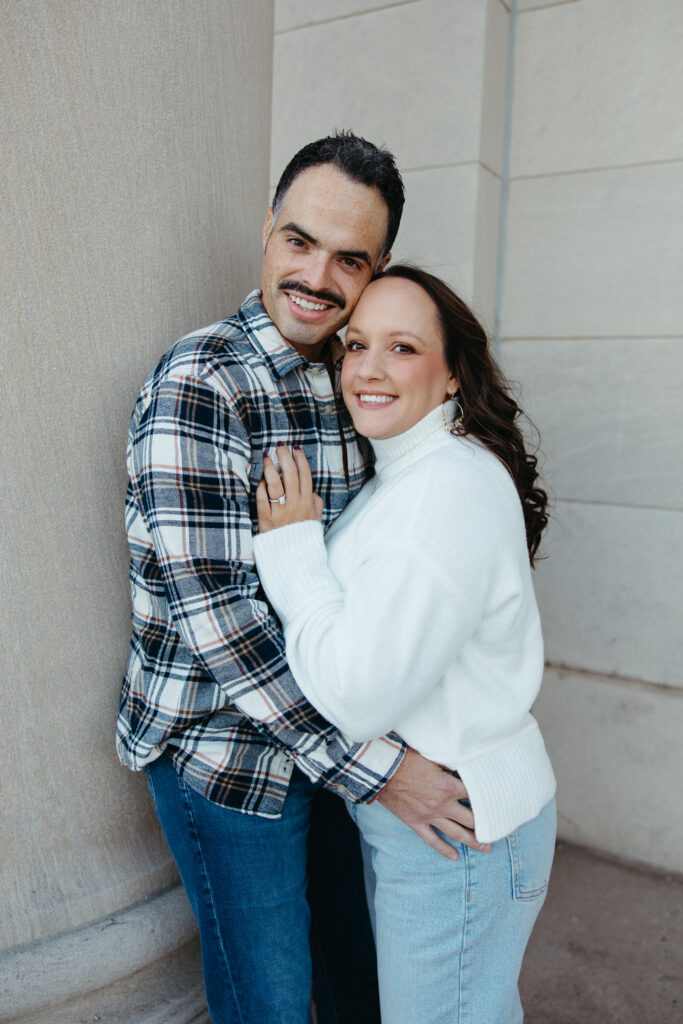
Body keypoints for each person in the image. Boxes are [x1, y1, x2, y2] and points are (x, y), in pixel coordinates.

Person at [116, 135, 485, 1024]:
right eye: (299, 241)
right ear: (267, 229)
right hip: (228, 758)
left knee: (360, 986)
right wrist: (383, 773)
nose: (316, 277)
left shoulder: (358, 377)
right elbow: (225, 632)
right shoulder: (201, 384)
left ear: (377, 269)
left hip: (335, 736)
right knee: (272, 1004)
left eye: (348, 259)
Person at [253, 265, 558, 1024]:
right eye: (356, 345)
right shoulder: (409, 475)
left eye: (402, 347)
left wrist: (292, 552)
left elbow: (358, 696)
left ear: (453, 373)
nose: (368, 369)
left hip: (453, 828)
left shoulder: (440, 492)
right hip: (446, 818)